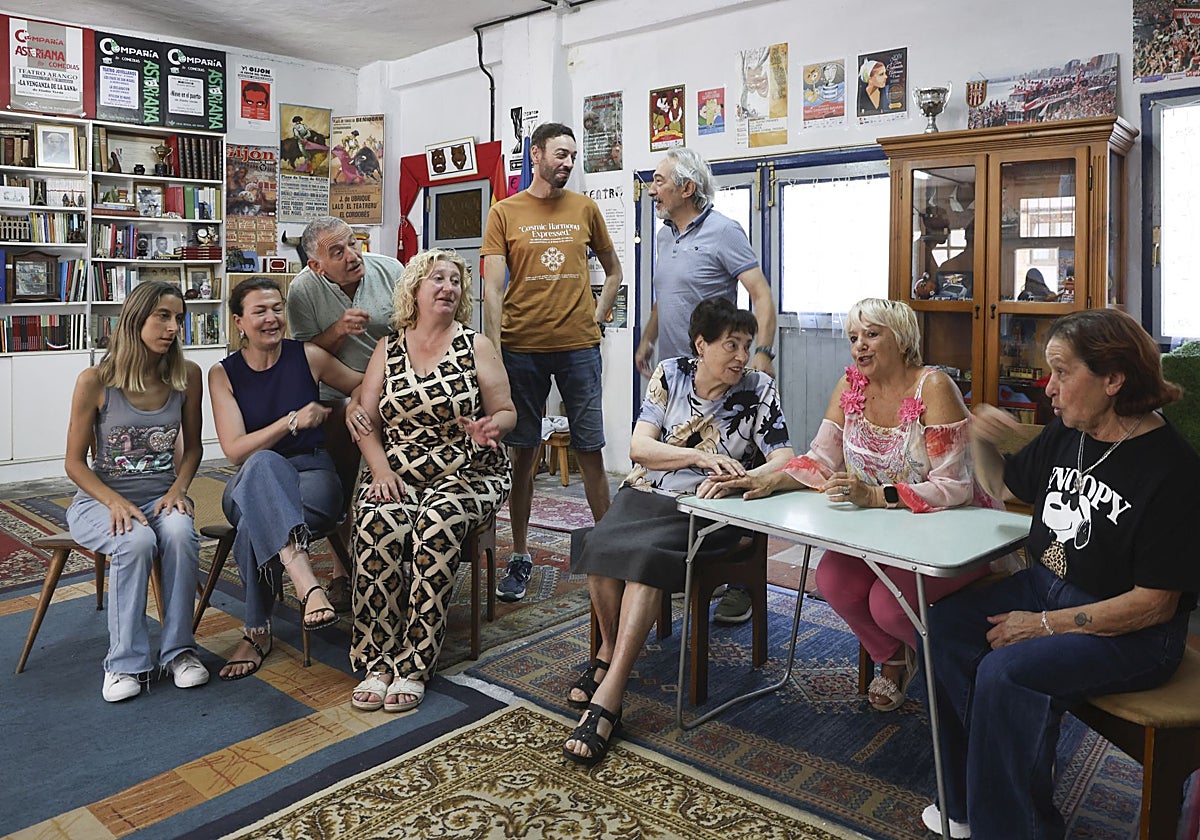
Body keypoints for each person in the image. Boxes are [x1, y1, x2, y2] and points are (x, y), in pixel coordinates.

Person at [920, 308, 1200, 839]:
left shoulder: (1173, 471)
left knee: (1007, 673)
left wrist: (1046, 625)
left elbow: (1155, 604)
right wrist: (983, 437)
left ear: (1113, 379)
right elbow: (1006, 490)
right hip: (1043, 585)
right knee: (944, 627)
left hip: (1132, 629)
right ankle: (962, 804)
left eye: (1063, 372)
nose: (1048, 388)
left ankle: (1014, 829)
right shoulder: (1070, 430)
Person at [708, 298, 1001, 712]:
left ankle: (960, 673)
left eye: (871, 334)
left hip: (950, 532)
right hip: (883, 531)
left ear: (900, 339)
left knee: (886, 604)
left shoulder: (933, 387)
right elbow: (820, 460)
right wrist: (766, 479)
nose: (859, 346)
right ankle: (896, 658)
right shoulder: (851, 387)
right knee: (832, 580)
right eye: (853, 338)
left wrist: (877, 496)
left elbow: (955, 486)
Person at [564, 298, 793, 765]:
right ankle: (608, 650)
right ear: (701, 345)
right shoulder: (671, 374)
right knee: (598, 542)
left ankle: (611, 693)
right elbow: (639, 447)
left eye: (746, 346)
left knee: (645, 562)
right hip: (646, 493)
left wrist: (748, 479)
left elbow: (785, 457)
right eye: (731, 345)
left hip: (703, 507)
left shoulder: (759, 389)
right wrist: (696, 456)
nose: (740, 357)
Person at [348, 249, 513, 713]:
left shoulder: (475, 345)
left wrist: (492, 426)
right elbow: (365, 419)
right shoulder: (388, 346)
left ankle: (416, 660)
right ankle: (379, 658)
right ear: (415, 289)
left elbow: (507, 410)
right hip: (398, 470)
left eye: (456, 281)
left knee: (436, 524)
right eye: (437, 279)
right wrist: (380, 471)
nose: (448, 287)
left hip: (467, 470)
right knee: (379, 523)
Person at [481, 121, 623, 603]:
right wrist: (495, 352)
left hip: (579, 349)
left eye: (572, 156)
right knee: (523, 455)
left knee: (591, 451)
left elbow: (614, 270)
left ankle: (608, 554)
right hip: (521, 350)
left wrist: (598, 320)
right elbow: (492, 289)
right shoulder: (504, 212)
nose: (567, 162)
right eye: (560, 154)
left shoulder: (585, 208)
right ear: (536, 154)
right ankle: (520, 555)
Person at [637, 147, 778, 626]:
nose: (652, 189)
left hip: (726, 378)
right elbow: (664, 297)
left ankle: (738, 579)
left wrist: (762, 354)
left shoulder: (725, 232)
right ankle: (677, 559)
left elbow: (760, 294)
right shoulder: (662, 235)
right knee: (681, 471)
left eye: (658, 181)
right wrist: (648, 340)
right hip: (680, 380)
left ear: (686, 188)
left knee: (738, 470)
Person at [209, 277, 364, 680]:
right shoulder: (222, 374)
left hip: (312, 477)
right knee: (260, 463)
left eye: (277, 308)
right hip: (249, 481)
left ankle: (257, 632)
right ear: (239, 321)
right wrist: (292, 421)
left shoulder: (308, 356)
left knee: (250, 527)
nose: (272, 318)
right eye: (260, 311)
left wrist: (354, 410)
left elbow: (364, 385)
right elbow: (236, 450)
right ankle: (305, 579)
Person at [64, 281, 209, 702]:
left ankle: (179, 652)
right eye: (162, 316)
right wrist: (116, 501)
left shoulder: (187, 377)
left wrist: (180, 489)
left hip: (164, 495)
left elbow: (195, 447)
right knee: (137, 540)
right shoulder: (95, 380)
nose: (173, 327)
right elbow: (73, 463)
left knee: (181, 535)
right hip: (100, 499)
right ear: (135, 319)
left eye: (178, 318)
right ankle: (125, 663)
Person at [287, 216, 404, 611]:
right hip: (335, 391)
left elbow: (413, 331)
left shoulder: (390, 270)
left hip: (393, 388)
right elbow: (305, 357)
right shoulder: (302, 291)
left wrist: (372, 391)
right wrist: (338, 330)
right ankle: (342, 570)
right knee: (341, 479)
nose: (353, 256)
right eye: (337, 252)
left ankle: (398, 562)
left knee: (398, 472)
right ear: (316, 266)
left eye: (353, 244)